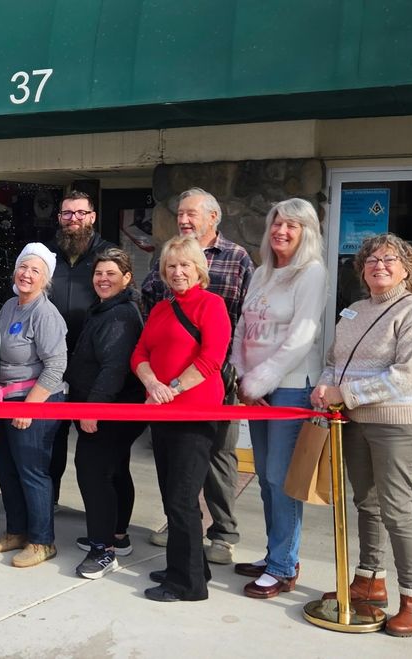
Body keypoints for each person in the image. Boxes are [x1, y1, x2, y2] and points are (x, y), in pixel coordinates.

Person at [311, 233, 412, 637]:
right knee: (366, 503)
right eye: (371, 259)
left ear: (407, 269)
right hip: (353, 421)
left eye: (390, 259)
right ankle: (370, 579)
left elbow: (406, 375)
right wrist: (324, 386)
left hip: (398, 422)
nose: (379, 265)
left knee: (397, 511)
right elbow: (336, 361)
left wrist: (343, 393)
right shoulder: (353, 311)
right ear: (361, 268)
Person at [140, 187, 253, 564]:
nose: (185, 220)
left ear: (212, 218)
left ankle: (222, 532)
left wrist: (237, 374)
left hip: (215, 377)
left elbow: (247, 319)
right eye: (180, 215)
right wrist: (155, 380)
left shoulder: (236, 258)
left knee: (219, 456)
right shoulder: (168, 257)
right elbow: (152, 305)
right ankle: (181, 525)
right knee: (176, 467)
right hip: (169, 387)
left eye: (192, 214)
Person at [230, 199, 326, 598]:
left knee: (279, 478)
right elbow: (243, 327)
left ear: (307, 232)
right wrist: (240, 373)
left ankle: (284, 566)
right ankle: (276, 554)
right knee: (265, 479)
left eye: (292, 226)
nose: (281, 232)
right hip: (255, 388)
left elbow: (301, 337)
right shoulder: (262, 272)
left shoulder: (312, 273)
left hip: (289, 388)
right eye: (277, 224)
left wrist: (261, 380)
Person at [132, 236, 231, 602]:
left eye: (185, 265)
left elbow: (211, 360)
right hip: (162, 412)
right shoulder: (160, 309)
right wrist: (151, 382)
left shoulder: (212, 305)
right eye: (171, 266)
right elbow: (140, 352)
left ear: (199, 270)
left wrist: (171, 388)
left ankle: (188, 585)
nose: (177, 272)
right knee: (171, 494)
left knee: (182, 499)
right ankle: (188, 565)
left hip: (194, 413)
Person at [69, 248, 147, 579]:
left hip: (109, 411)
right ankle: (117, 534)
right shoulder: (105, 309)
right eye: (99, 273)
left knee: (92, 472)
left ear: (127, 278)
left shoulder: (121, 316)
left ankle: (104, 550)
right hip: (110, 409)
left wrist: (93, 408)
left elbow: (114, 367)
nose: (103, 279)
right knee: (115, 471)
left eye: (111, 274)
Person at [0, 243, 68, 568]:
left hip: (36, 399)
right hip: (4, 399)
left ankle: (41, 541)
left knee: (32, 471)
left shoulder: (45, 313)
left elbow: (55, 366)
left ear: (45, 279)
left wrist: (29, 407)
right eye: (24, 267)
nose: (27, 274)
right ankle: (17, 531)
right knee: (7, 470)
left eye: (36, 271)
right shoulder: (9, 306)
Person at [48, 191, 117, 509]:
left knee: (97, 454)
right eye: (66, 214)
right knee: (49, 444)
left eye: (80, 213)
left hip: (91, 368)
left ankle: (109, 527)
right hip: (50, 366)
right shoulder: (47, 256)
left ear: (92, 216)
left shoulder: (108, 257)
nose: (73, 219)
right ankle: (46, 507)